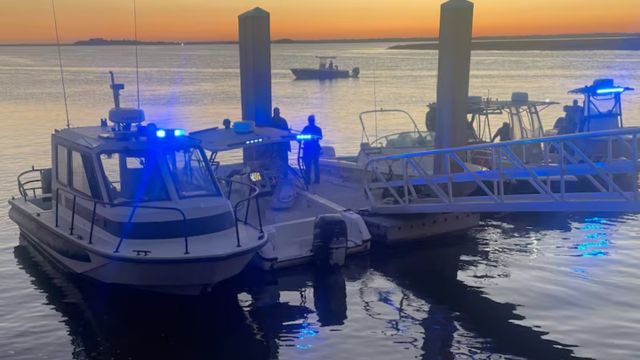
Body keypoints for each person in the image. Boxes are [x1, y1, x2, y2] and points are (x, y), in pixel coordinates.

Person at [301, 115, 323, 185]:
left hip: (314, 149)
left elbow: (320, 137)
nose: (311, 121)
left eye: (312, 120)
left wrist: (315, 137)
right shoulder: (306, 128)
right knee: (308, 165)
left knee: (315, 164)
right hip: (307, 149)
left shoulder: (317, 129)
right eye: (310, 120)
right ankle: (308, 180)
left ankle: (316, 179)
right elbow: (300, 137)